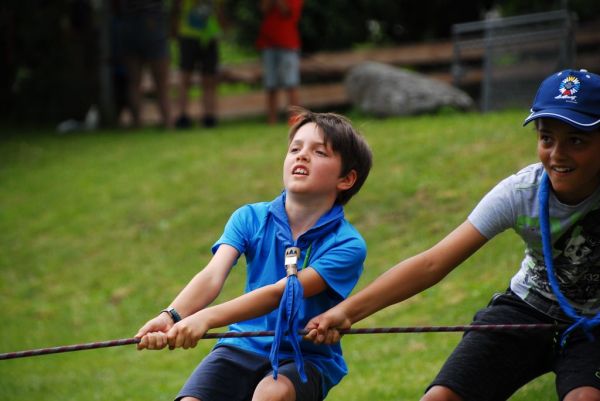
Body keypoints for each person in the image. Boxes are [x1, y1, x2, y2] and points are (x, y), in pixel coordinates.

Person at [305, 69, 600, 401]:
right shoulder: (521, 193)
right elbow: (432, 263)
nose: (557, 154)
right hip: (527, 309)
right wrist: (346, 311)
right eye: (547, 138)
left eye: (576, 140)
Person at [135, 108, 373, 401]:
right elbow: (212, 275)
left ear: (346, 179)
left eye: (320, 152)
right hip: (240, 346)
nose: (301, 156)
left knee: (270, 395)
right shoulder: (249, 217)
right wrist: (172, 315)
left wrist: (206, 319)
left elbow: (282, 293)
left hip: (304, 357)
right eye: (295, 148)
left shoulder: (348, 245)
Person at [171, 0, 223, 129]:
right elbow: (176, 9)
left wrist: (221, 29)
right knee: (185, 78)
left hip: (210, 36)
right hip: (188, 36)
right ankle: (182, 115)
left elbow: (220, 11)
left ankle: (209, 115)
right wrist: (174, 29)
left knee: (209, 79)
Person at [120, 0, 172, 128]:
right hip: (153, 23)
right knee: (161, 83)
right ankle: (167, 122)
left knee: (134, 82)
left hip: (128, 23)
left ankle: (136, 123)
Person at [256, 0, 303, 125]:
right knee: (270, 84)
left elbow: (287, 11)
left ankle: (294, 120)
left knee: (291, 83)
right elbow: (263, 9)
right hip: (268, 43)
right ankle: (271, 120)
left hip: (288, 43)